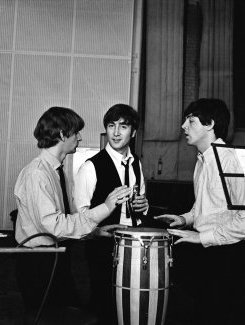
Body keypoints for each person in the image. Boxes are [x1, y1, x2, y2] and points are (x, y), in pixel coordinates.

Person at [14, 106, 132, 321]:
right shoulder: (37, 174)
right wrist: (106, 207)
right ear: (61, 134)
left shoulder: (55, 171)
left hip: (55, 257)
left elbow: (63, 222)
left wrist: (95, 232)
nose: (79, 137)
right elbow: (54, 226)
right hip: (39, 263)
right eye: (76, 132)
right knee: (48, 318)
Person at [155, 98, 245, 325]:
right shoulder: (203, 160)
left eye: (191, 121)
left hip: (230, 255)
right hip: (209, 252)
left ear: (210, 124)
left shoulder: (232, 161)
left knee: (219, 315)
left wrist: (201, 236)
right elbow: (205, 205)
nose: (184, 127)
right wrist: (184, 218)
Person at [73, 103, 149, 324]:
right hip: (102, 247)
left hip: (133, 245)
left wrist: (143, 206)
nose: (116, 132)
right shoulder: (90, 167)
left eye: (123, 126)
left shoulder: (137, 164)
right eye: (111, 125)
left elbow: (141, 205)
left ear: (133, 132)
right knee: (104, 307)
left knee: (129, 306)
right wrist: (97, 231)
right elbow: (81, 216)